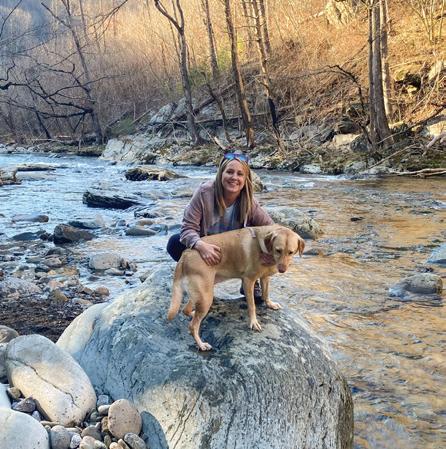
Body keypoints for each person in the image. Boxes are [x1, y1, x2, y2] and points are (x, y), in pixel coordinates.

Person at [166, 152, 274, 301]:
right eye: (229, 172)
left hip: (235, 252)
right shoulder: (204, 193)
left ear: (245, 179)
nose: (234, 177)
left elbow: (271, 229)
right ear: (221, 173)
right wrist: (200, 245)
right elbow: (187, 228)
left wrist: (269, 253)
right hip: (208, 247)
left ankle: (249, 280)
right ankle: (199, 274)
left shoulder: (249, 201)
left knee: (260, 243)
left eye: (240, 174)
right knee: (174, 243)